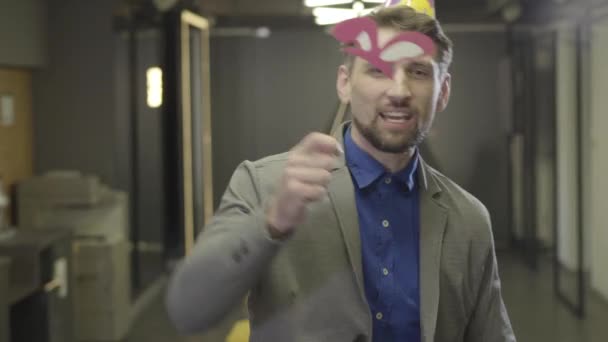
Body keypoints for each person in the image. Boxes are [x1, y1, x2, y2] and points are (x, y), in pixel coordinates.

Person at [166, 4, 516, 342]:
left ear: (443, 92)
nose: (398, 91)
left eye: (419, 72)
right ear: (345, 83)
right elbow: (188, 310)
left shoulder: (468, 220)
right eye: (378, 70)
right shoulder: (264, 185)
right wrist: (269, 224)